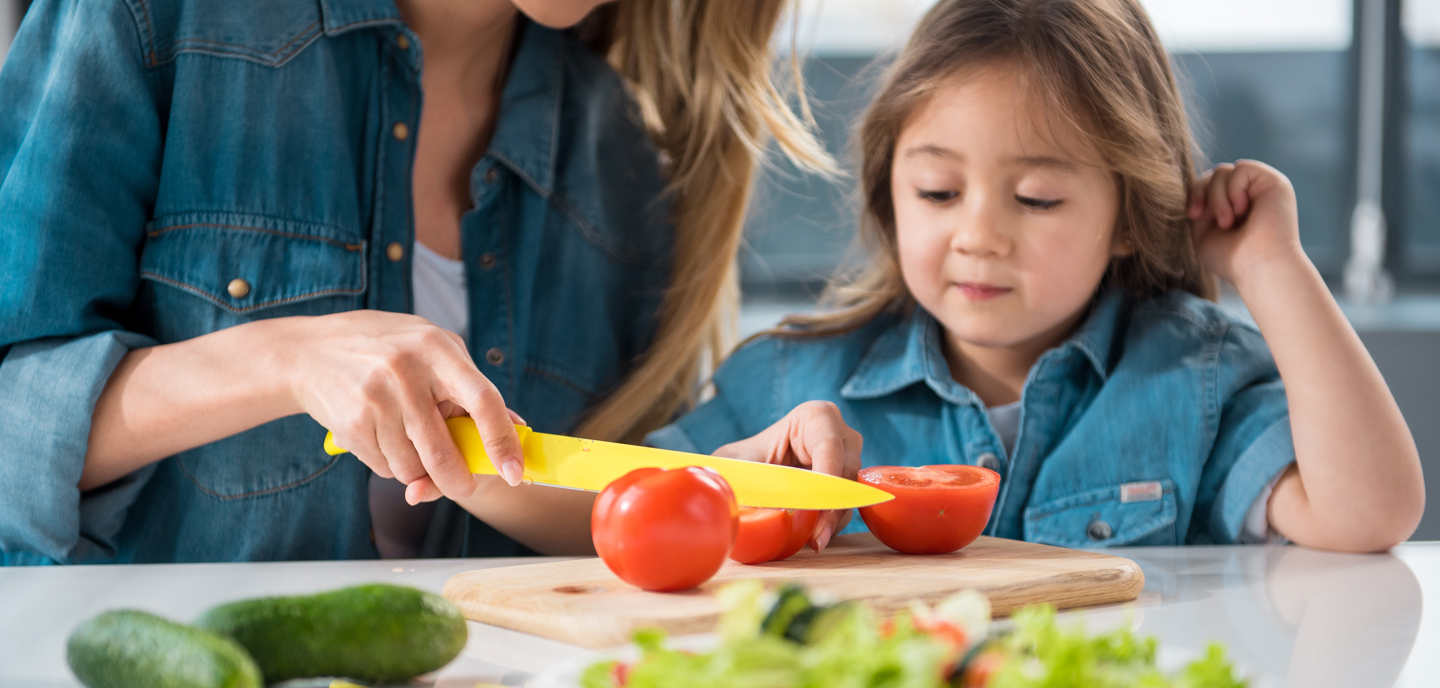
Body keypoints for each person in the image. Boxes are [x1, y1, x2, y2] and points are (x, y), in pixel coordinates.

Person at [0, 0, 847, 564]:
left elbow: (581, 537)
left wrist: (705, 486)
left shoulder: (617, 160)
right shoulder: (159, 16)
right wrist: (286, 359)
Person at [648, 0, 1425, 553]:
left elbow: (1369, 515)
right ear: (890, 192)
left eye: (1036, 198)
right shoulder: (796, 377)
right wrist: (726, 479)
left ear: (1128, 215)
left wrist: (1271, 265)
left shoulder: (1192, 383)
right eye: (938, 193)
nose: (979, 235)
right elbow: (610, 507)